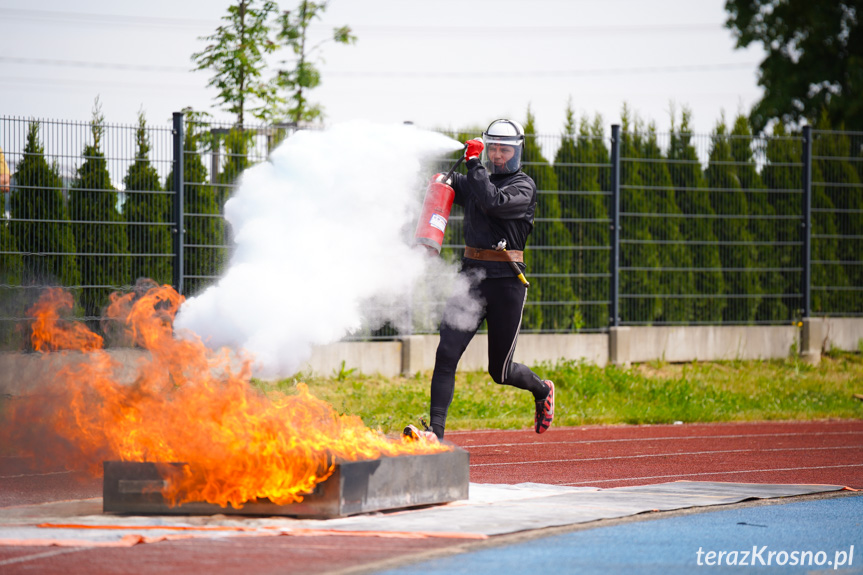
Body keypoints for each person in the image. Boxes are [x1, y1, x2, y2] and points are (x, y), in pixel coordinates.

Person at [405, 119, 554, 442]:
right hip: (470, 279)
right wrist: (437, 182)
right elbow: (449, 186)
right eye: (493, 149)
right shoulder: (477, 177)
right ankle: (436, 433)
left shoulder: (523, 186)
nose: (498, 155)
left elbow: (491, 200)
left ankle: (542, 390)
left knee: (499, 372)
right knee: (446, 355)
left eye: (505, 150)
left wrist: (473, 164)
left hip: (507, 284)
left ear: (516, 153)